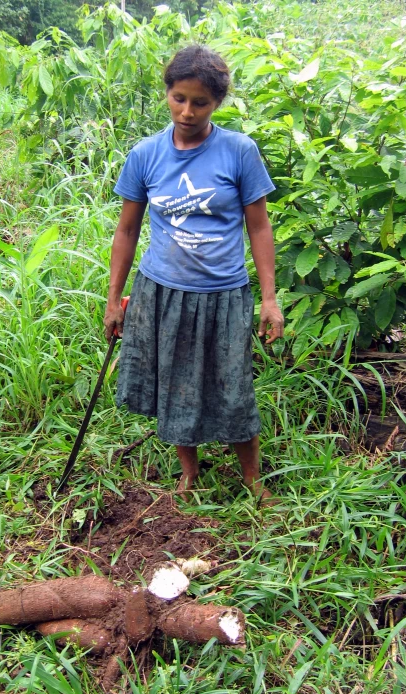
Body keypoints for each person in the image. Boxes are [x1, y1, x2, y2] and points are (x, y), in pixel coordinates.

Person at [103, 45, 284, 500]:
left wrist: (269, 298)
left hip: (224, 293)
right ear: (167, 93)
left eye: (199, 102)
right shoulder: (145, 155)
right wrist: (114, 299)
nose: (187, 111)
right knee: (173, 383)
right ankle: (189, 473)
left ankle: (252, 479)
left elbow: (259, 226)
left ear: (217, 103)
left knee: (233, 386)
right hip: (160, 291)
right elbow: (126, 231)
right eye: (178, 98)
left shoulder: (239, 151)